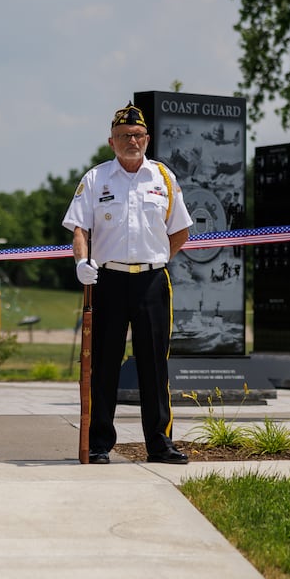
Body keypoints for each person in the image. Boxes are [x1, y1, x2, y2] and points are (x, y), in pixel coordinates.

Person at [64, 101, 193, 465]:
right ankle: (100, 442)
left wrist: (161, 257)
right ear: (111, 141)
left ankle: (160, 443)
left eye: (137, 135)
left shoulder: (163, 178)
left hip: (152, 282)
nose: (131, 141)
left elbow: (180, 230)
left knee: (154, 365)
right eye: (123, 136)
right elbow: (79, 228)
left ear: (147, 139)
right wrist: (81, 261)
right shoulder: (96, 178)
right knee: (103, 363)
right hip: (108, 281)